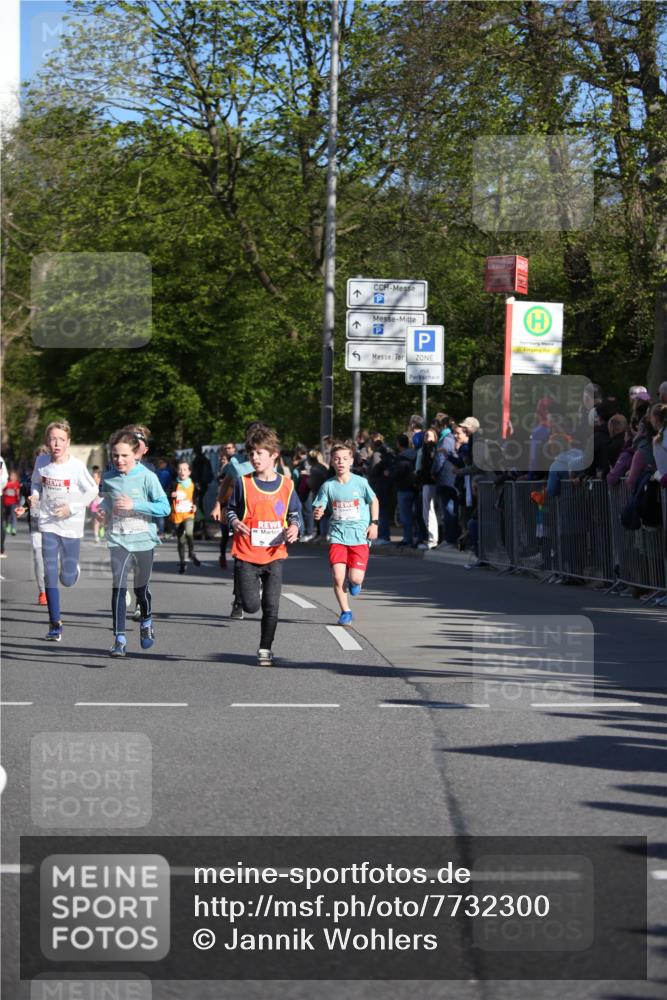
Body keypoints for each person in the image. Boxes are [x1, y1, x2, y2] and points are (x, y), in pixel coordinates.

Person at [227, 425, 301, 666]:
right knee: (250, 606)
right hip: (246, 554)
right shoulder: (243, 483)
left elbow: (295, 513)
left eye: (260, 453)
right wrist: (236, 522)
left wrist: (295, 528)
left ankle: (265, 648)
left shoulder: (287, 485)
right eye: (251, 454)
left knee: (272, 606)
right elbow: (231, 510)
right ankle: (247, 592)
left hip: (274, 554)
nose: (255, 458)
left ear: (273, 455)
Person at [99, 429, 170, 657]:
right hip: (118, 539)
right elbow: (106, 504)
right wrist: (102, 512)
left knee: (141, 589)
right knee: (118, 588)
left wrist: (136, 505)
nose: (119, 460)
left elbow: (164, 507)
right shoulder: (108, 478)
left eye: (124, 456)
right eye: (115, 456)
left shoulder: (147, 476)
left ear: (134, 454)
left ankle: (146, 621)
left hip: (142, 541)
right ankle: (119, 639)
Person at [28, 421, 98, 641]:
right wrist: (35, 499)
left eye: (60, 439)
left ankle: (72, 570)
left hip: (71, 527)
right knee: (49, 573)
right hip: (48, 523)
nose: (56, 443)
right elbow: (36, 484)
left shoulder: (76, 467)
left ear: (68, 442)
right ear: (46, 441)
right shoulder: (42, 461)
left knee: (66, 579)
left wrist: (71, 507)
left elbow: (93, 490)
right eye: (52, 438)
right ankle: (55, 624)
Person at [313, 441, 378, 626]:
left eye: (344, 459)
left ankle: (355, 582)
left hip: (359, 537)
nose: (340, 462)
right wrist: (318, 511)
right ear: (332, 462)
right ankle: (345, 611)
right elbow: (320, 505)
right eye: (337, 459)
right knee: (337, 576)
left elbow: (374, 501)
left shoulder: (361, 483)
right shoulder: (328, 486)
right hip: (337, 536)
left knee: (355, 578)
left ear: (351, 461)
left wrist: (374, 524)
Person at [171, 459, 201, 573]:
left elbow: (196, 498)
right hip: (177, 515)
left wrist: (195, 506)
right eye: (180, 469)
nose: (182, 471)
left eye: (184, 469)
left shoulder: (194, 485)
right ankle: (182, 562)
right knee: (181, 540)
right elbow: (165, 495)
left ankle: (191, 553)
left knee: (189, 532)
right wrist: (171, 494)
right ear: (177, 471)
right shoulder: (174, 484)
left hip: (188, 514)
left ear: (189, 472)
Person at [2, 468, 21, 536]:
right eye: (11, 476)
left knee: (13, 516)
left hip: (14, 502)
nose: (11, 477)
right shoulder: (7, 483)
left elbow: (18, 492)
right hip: (6, 502)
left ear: (16, 477)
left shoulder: (16, 484)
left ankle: (13, 528)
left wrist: (18, 499)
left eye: (13, 476)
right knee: (7, 515)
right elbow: (3, 490)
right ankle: (8, 525)